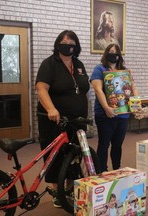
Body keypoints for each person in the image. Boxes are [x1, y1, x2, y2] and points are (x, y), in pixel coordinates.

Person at [35, 30, 90, 207]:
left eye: (72, 42)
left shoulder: (79, 64)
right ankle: (57, 192)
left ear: (76, 46)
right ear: (58, 44)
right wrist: (51, 109)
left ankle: (69, 189)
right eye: (64, 42)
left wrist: (86, 112)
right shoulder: (49, 64)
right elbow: (41, 88)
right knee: (56, 155)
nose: (68, 45)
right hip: (54, 119)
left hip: (77, 119)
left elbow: (84, 90)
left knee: (74, 155)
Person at [90, 43, 138, 172]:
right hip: (105, 114)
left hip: (122, 114)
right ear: (106, 53)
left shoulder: (125, 71)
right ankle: (101, 171)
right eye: (111, 51)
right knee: (104, 144)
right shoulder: (99, 69)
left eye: (116, 52)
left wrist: (135, 104)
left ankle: (117, 169)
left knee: (118, 145)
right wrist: (106, 108)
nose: (114, 54)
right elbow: (98, 90)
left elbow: (132, 88)